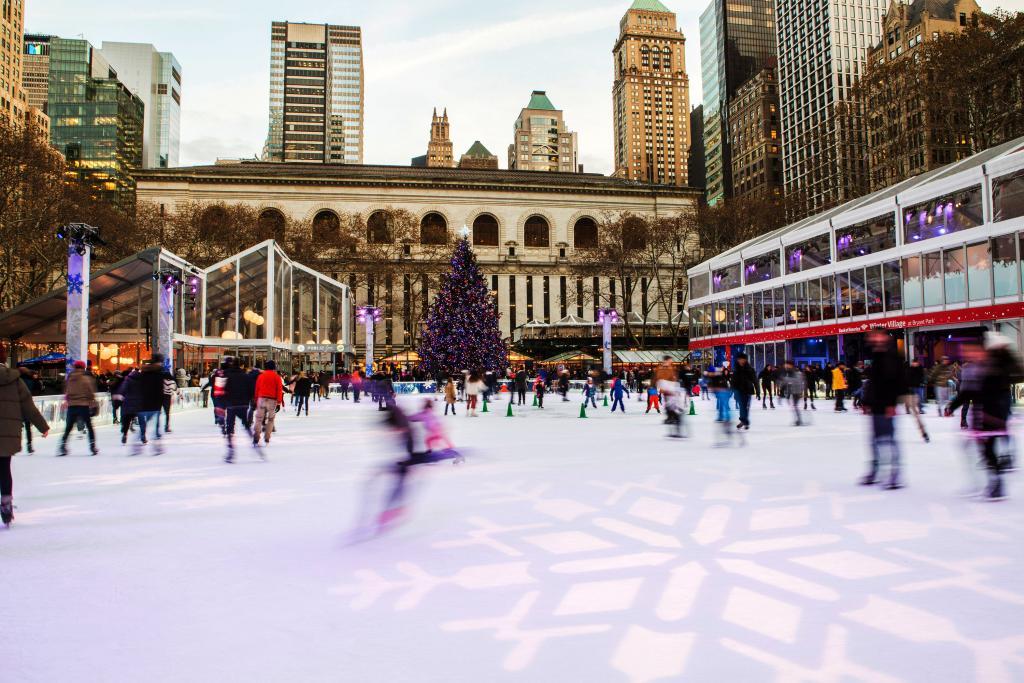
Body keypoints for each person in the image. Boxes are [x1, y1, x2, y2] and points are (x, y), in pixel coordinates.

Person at [948, 332, 1024, 499]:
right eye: (967, 353)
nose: (970, 355)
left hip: (992, 417)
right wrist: (952, 406)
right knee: (984, 452)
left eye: (973, 351)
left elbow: (1005, 387)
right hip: (981, 418)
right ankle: (988, 483)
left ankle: (995, 484)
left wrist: (998, 417)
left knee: (988, 452)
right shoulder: (974, 369)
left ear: (983, 351)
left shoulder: (993, 368)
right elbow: (967, 392)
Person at [0, 353, 49, 527]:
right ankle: (6, 503)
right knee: (4, 468)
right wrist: (42, 426)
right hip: (8, 432)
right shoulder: (14, 380)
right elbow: (28, 406)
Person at [860, 330, 908, 489]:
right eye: (873, 336)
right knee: (875, 440)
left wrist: (892, 404)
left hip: (886, 405)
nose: (874, 338)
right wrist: (866, 402)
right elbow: (872, 383)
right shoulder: (876, 356)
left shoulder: (893, 357)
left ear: (886, 337)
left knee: (889, 439)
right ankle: (875, 469)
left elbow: (898, 382)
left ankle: (895, 472)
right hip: (875, 405)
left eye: (877, 335)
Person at [222, 356, 260, 462]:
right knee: (246, 424)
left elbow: (223, 390)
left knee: (230, 427)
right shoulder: (245, 376)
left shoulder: (227, 375)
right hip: (243, 405)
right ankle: (255, 442)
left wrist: (224, 401)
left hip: (231, 405)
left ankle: (231, 450)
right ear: (241, 365)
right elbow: (251, 390)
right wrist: (251, 401)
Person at [59, 360, 99, 457]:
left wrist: (67, 401)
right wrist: (92, 402)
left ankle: (63, 445)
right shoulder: (86, 379)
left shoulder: (69, 379)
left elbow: (66, 392)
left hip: (72, 406)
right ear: (83, 367)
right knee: (89, 426)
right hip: (83, 405)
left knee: (68, 427)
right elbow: (90, 393)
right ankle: (92, 446)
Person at [131, 356, 168, 455]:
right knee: (155, 427)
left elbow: (138, 387)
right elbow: (160, 390)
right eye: (161, 362)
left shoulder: (143, 373)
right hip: (154, 404)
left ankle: (136, 447)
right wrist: (161, 403)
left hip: (142, 403)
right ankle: (157, 447)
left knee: (144, 426)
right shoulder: (159, 374)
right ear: (158, 362)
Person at [252, 360, 284, 447]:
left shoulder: (261, 376)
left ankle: (256, 437)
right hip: (272, 400)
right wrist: (279, 402)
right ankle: (267, 437)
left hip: (261, 398)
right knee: (270, 419)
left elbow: (257, 388)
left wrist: (255, 399)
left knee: (258, 419)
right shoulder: (277, 377)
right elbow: (279, 389)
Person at [730, 354, 757, 430]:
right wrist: (731, 391)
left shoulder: (750, 369)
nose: (741, 361)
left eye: (743, 359)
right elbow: (733, 381)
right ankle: (745, 421)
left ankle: (743, 421)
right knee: (742, 406)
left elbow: (755, 380)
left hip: (748, 390)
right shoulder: (735, 369)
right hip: (739, 390)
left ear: (745, 360)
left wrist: (757, 391)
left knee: (746, 407)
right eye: (740, 359)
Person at [780, 360, 807, 426]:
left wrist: (786, 379)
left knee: (795, 406)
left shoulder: (795, 372)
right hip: (793, 391)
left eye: (787, 365)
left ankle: (799, 420)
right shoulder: (788, 371)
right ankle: (798, 420)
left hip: (797, 391)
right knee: (795, 406)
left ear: (790, 365)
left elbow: (798, 380)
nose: (785, 366)